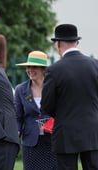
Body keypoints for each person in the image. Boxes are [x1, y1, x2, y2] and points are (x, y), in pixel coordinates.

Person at [41, 24, 98, 170]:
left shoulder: (54, 70)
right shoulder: (95, 65)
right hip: (93, 130)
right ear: (77, 42)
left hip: (65, 132)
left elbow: (47, 105)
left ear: (58, 44)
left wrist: (63, 114)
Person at [14, 51, 57, 170]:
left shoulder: (54, 87)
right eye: (28, 67)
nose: (30, 70)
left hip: (53, 141)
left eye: (34, 67)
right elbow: (17, 116)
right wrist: (15, 133)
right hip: (31, 142)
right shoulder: (20, 90)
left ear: (43, 69)